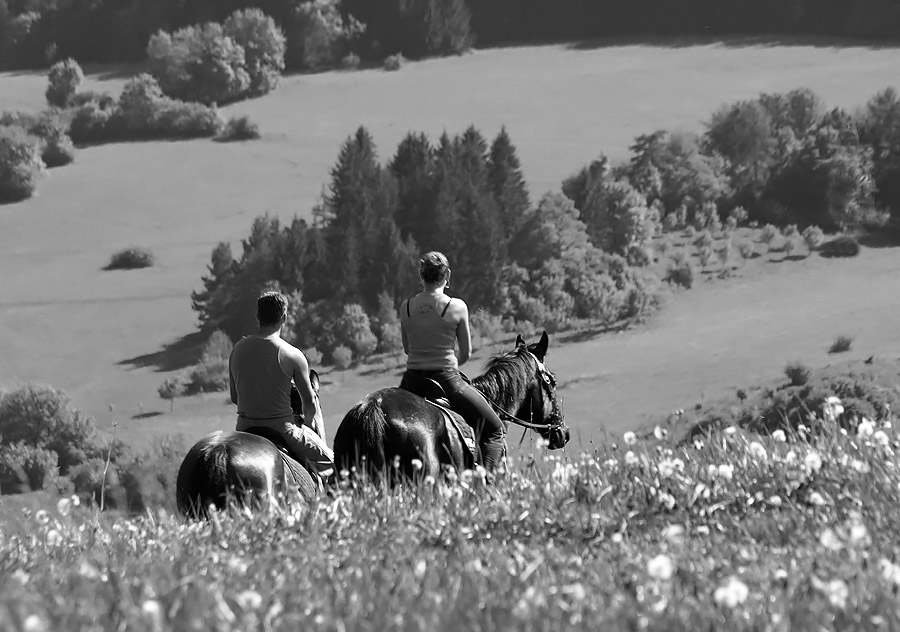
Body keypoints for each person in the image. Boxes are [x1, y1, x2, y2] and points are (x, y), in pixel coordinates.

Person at [399, 251, 505, 471]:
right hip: (446, 380)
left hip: (410, 383)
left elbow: (408, 349)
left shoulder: (406, 307)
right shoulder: (456, 307)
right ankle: (488, 482)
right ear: (447, 275)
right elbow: (465, 354)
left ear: (421, 276)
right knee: (494, 429)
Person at [229, 291, 334, 480]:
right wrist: (308, 425)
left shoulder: (237, 350)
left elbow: (235, 398)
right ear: (284, 317)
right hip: (283, 430)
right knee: (336, 464)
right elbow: (309, 402)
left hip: (244, 428)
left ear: (257, 316)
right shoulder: (292, 355)